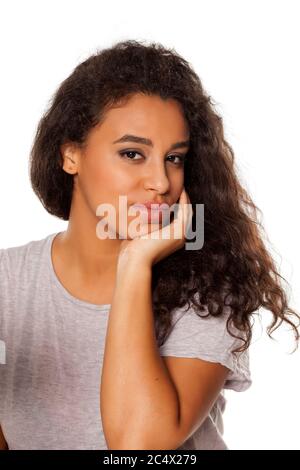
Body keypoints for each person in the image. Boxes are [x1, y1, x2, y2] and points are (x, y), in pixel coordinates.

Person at [0, 39, 299, 450]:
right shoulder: (6, 283)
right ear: (71, 155)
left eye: (174, 158)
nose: (160, 182)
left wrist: (135, 262)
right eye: (132, 154)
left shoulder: (208, 293)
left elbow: (139, 447)